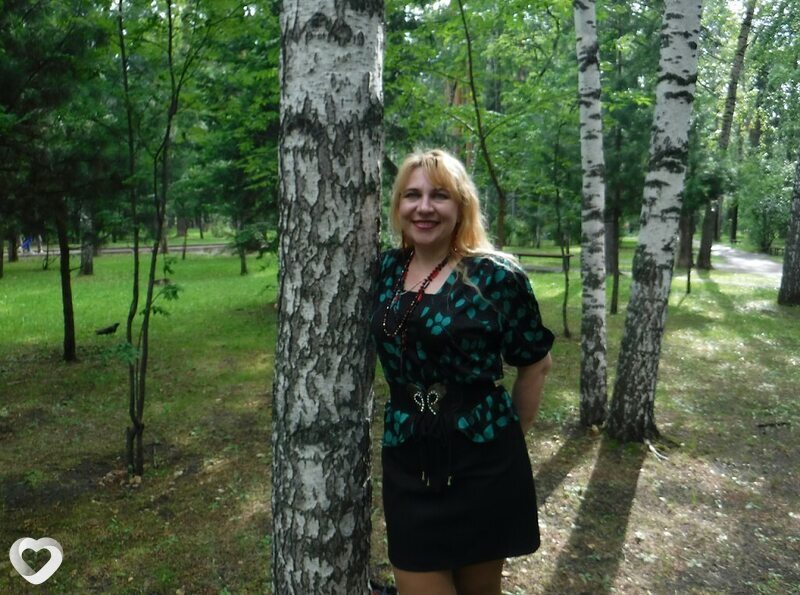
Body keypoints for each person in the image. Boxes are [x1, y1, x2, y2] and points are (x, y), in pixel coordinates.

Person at [370, 149, 554, 595]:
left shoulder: (496, 276)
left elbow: (535, 364)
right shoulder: (384, 270)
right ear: (398, 205)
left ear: (461, 205)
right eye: (412, 195)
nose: (424, 207)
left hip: (485, 465)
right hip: (408, 459)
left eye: (440, 195)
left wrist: (505, 440)